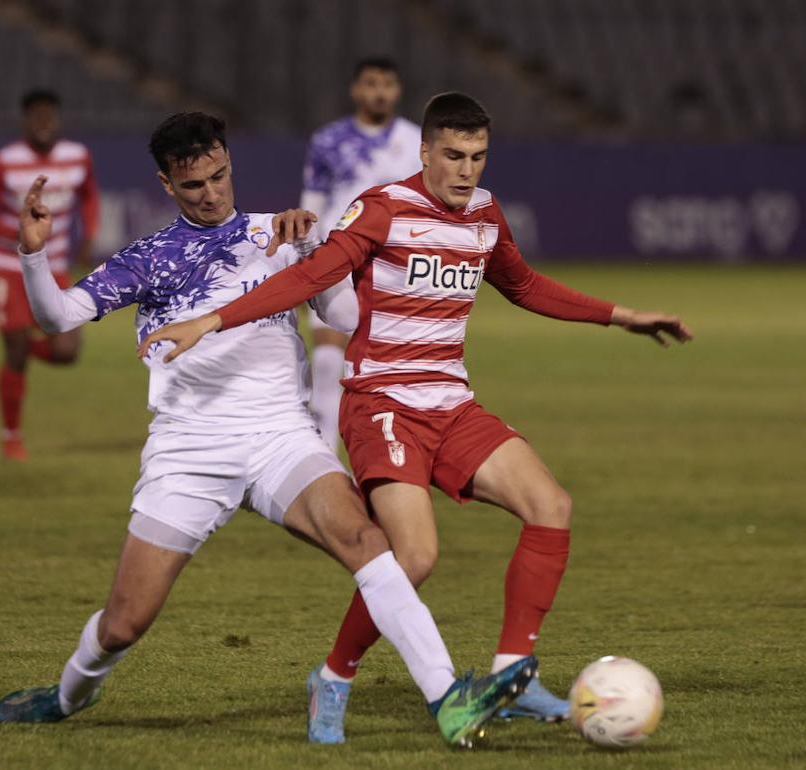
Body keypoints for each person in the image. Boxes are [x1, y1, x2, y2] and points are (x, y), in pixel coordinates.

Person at [138, 93, 693, 743]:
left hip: (451, 404)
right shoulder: (382, 209)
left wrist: (623, 317)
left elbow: (526, 285)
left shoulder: (485, 215)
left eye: (478, 157)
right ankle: (334, 676)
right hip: (382, 406)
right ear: (425, 152)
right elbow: (315, 273)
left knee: (552, 506)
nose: (466, 171)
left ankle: (511, 675)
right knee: (416, 556)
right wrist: (212, 317)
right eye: (453, 156)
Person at [0, 113, 535, 749]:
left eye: (220, 176)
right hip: (189, 449)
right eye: (194, 186)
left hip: (280, 437)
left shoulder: (280, 233)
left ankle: (449, 699)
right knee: (125, 623)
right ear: (166, 185)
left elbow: (345, 316)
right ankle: (66, 694)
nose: (212, 193)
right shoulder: (148, 258)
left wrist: (321, 252)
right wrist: (32, 254)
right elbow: (54, 319)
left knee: (365, 540)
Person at [299, 57, 423, 448]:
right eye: (371, 84)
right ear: (356, 90)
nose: (379, 92)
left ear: (398, 90)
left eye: (387, 84)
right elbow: (312, 205)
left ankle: (393, 451)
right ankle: (323, 459)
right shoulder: (327, 141)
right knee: (326, 359)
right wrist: (310, 257)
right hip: (339, 257)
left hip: (395, 268)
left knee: (394, 369)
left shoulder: (418, 142)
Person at [0, 89, 99, 461]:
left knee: (66, 352)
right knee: (14, 351)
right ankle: (11, 436)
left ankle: (21, 343)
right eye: (36, 116)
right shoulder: (4, 161)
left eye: (49, 115)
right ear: (25, 120)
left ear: (57, 119)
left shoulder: (78, 156)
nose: (44, 122)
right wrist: (21, 232)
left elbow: (89, 195)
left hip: (54, 267)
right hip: (10, 267)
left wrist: (89, 232)